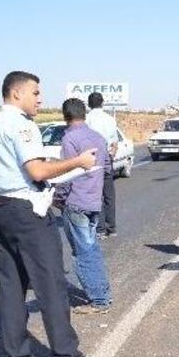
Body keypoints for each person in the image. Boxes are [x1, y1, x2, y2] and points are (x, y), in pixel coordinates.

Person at [0, 71, 104, 357]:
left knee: (11, 285)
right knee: (51, 283)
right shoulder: (21, 126)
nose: (40, 99)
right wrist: (78, 163)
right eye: (35, 93)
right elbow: (36, 171)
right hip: (26, 213)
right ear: (17, 94)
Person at [55, 98, 114, 315]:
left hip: (76, 203)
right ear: (85, 114)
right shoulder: (97, 137)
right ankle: (103, 294)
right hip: (93, 202)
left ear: (66, 116)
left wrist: (59, 200)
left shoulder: (69, 139)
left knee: (83, 252)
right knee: (92, 248)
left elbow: (67, 175)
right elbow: (107, 168)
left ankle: (99, 300)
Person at [85, 92, 118, 238]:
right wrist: (111, 155)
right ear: (102, 103)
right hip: (106, 158)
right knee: (108, 194)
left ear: (89, 104)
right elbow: (114, 142)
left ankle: (101, 229)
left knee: (96, 194)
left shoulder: (87, 119)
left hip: (92, 160)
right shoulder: (110, 118)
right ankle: (112, 228)